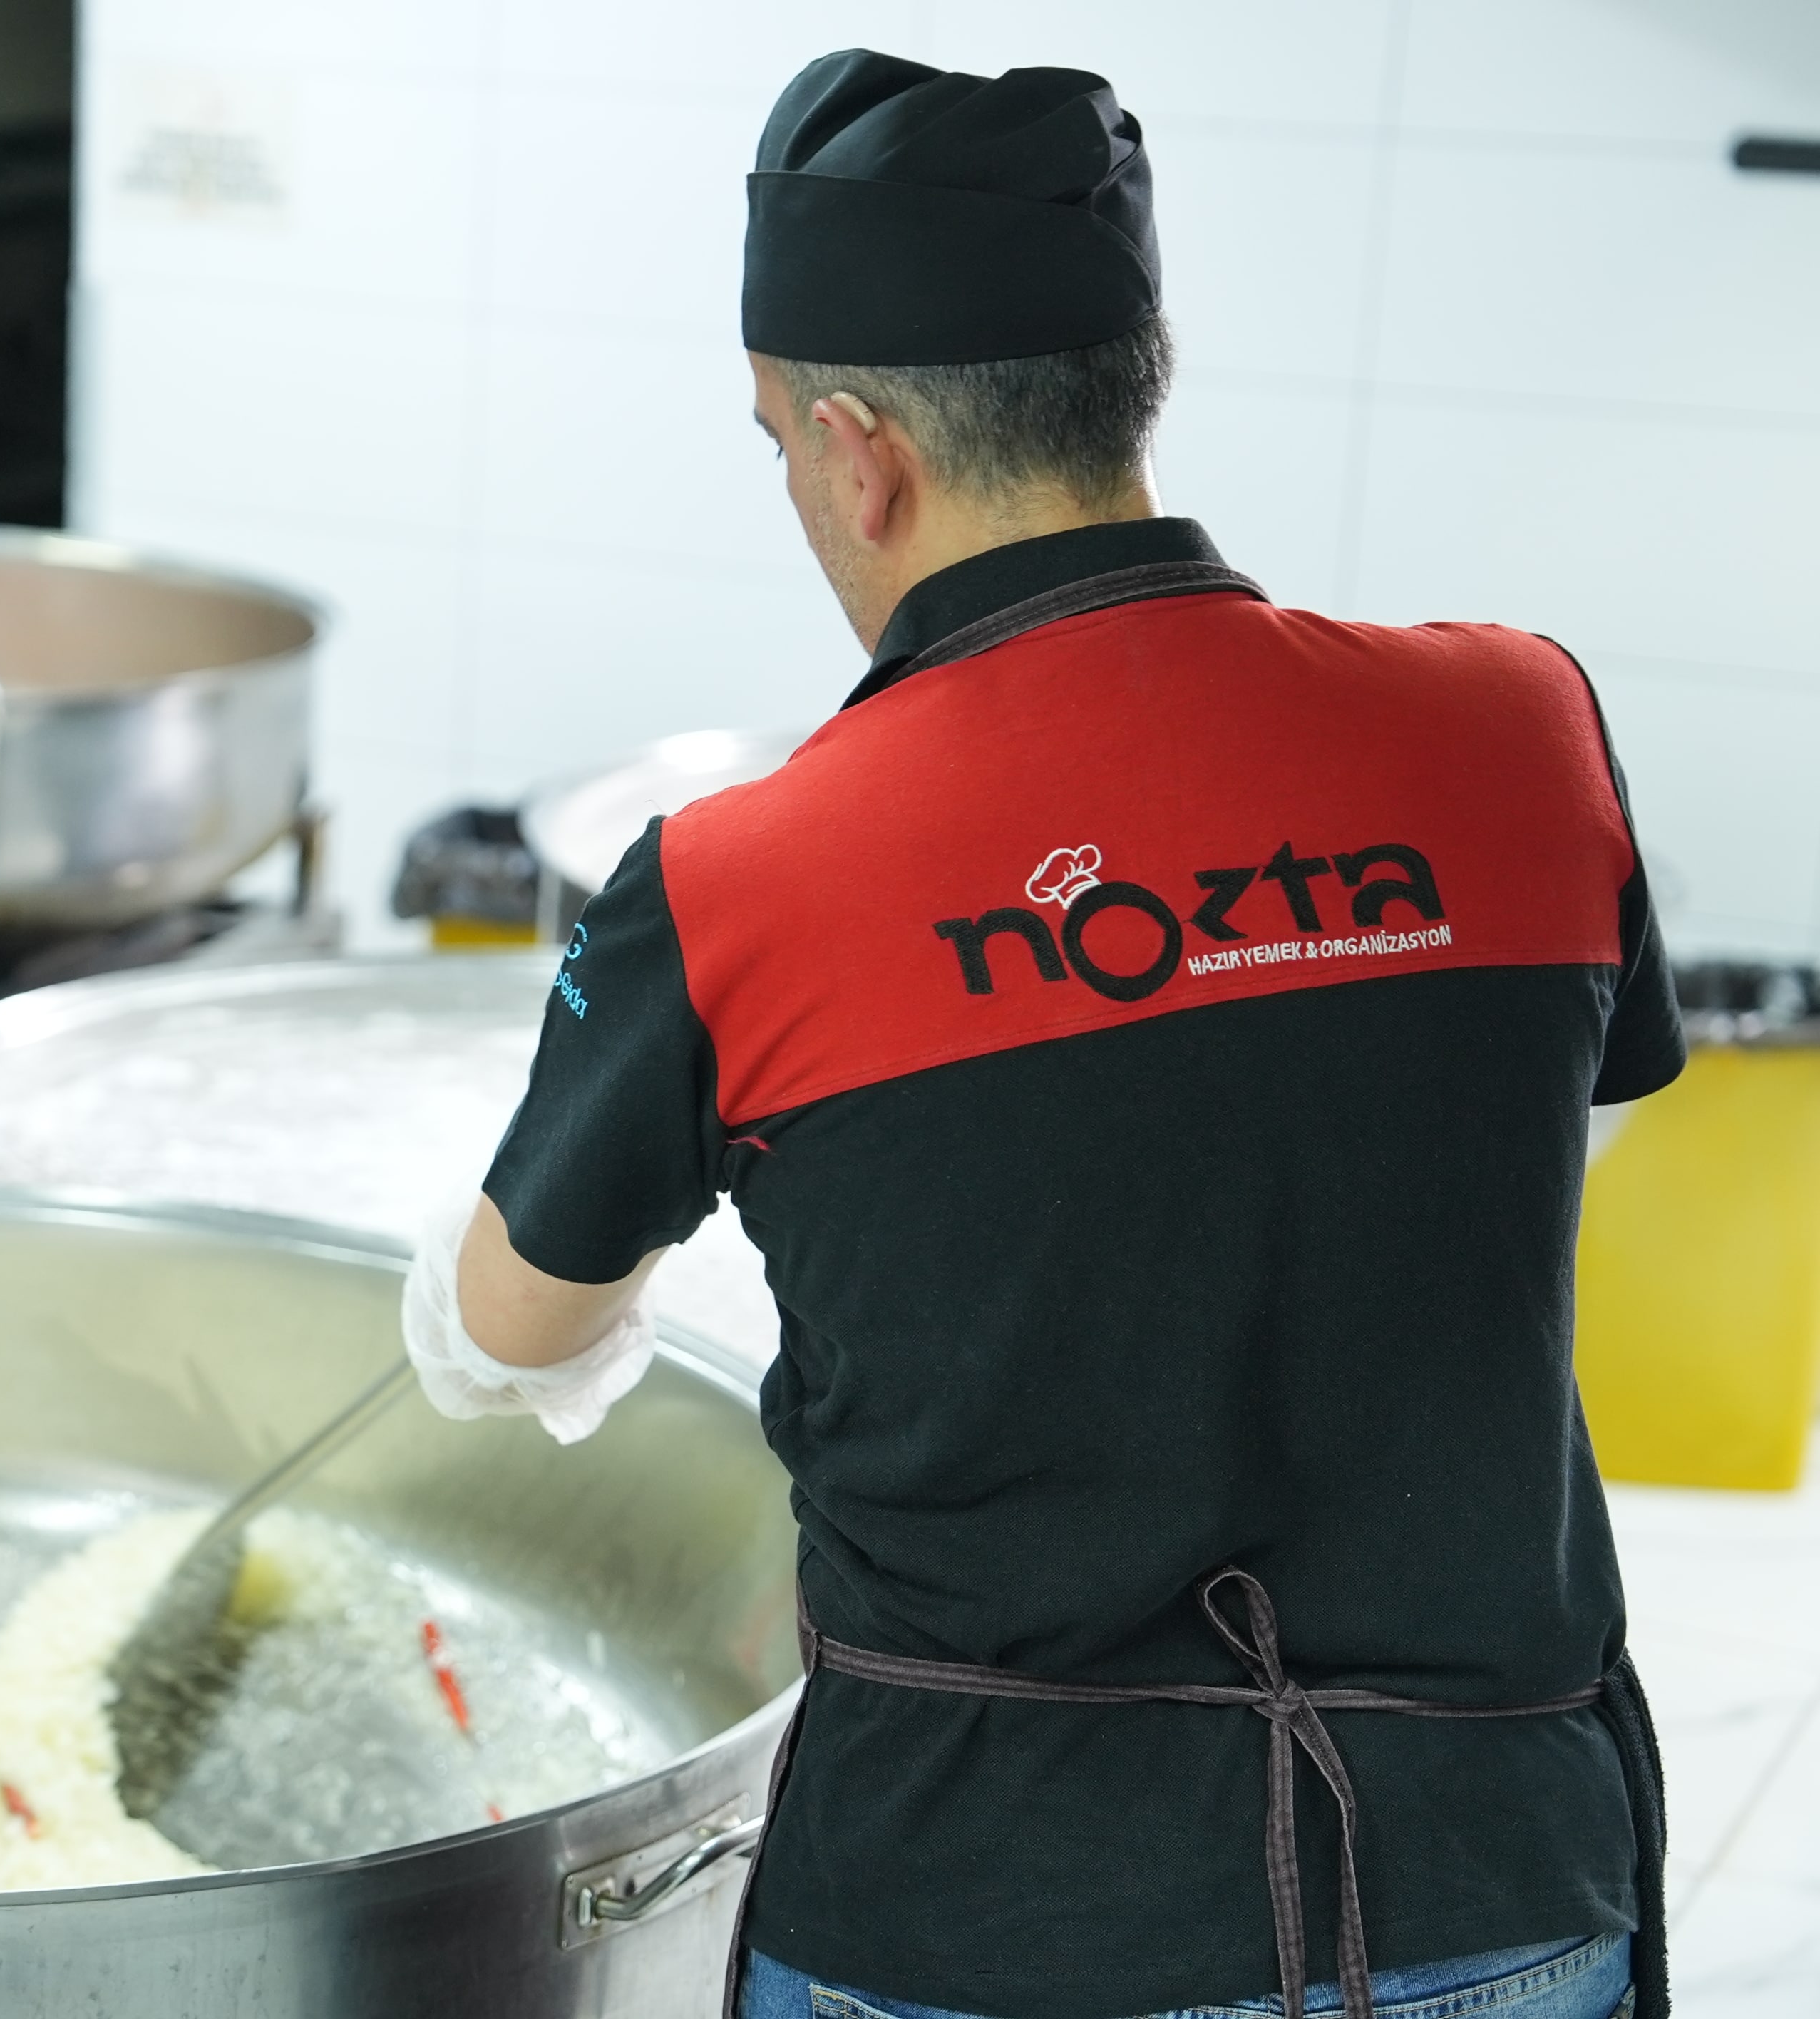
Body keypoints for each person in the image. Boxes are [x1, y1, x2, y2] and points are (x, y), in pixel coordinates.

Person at [399, 49, 1680, 2019]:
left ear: (859, 455)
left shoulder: (736, 882)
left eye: (776, 445)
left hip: (978, 1925)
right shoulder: (1525, 723)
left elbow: (508, 1329)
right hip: (1497, 1887)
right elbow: (1433, 1119)